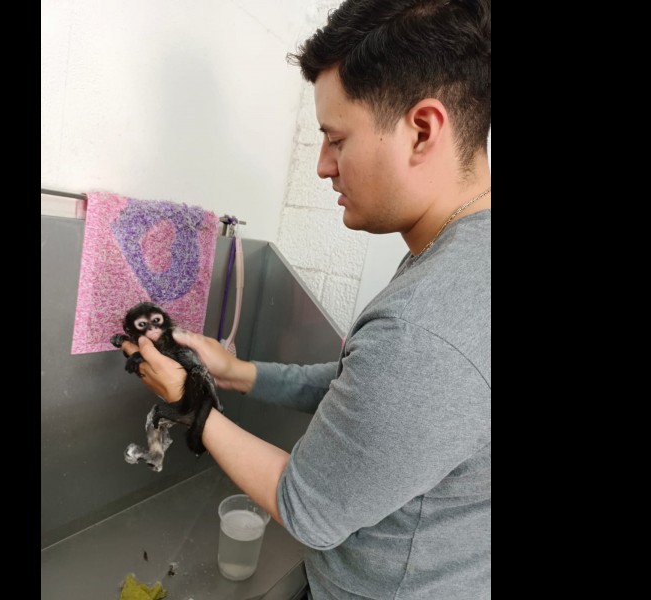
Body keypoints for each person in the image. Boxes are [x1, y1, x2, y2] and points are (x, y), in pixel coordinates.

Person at [119, 0, 491, 597]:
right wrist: (235, 372)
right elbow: (367, 388)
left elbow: (307, 508)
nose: (322, 166)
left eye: (336, 139)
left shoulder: (425, 324)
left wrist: (193, 403)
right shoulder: (464, 260)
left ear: (422, 130)